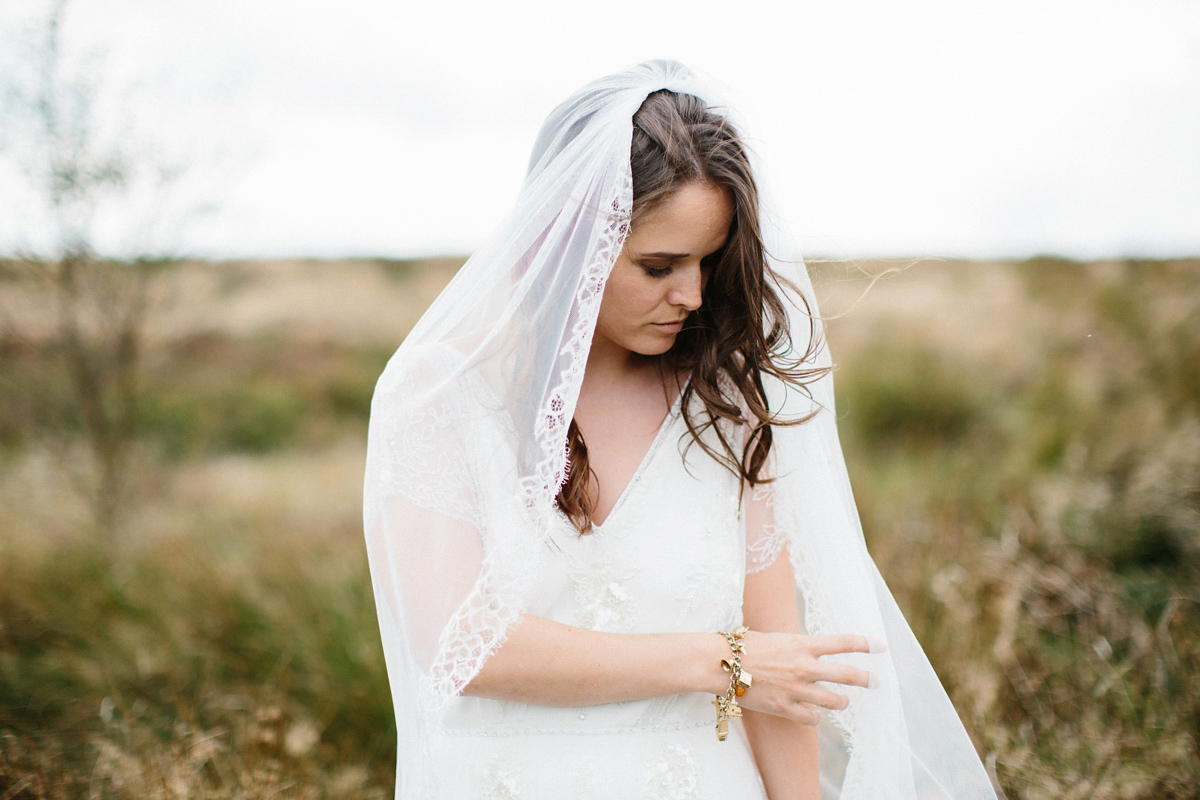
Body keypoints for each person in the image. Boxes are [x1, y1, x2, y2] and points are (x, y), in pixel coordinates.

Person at [363, 60, 999, 800]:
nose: (693, 295)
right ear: (569, 242)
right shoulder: (442, 394)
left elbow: (780, 672)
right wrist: (726, 662)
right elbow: (460, 647)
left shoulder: (726, 409)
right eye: (658, 264)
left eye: (707, 261)